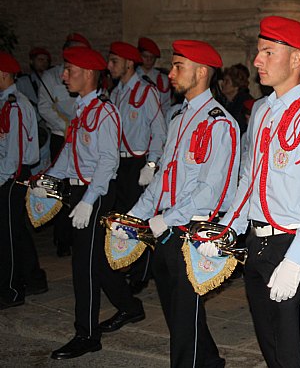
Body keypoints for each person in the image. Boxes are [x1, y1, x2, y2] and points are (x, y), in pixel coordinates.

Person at [219, 15, 300, 367]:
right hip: (257, 239)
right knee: (268, 340)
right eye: (259, 53)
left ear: (296, 58)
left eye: (269, 53)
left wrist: (297, 259)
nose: (258, 61)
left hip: (290, 243)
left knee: (290, 349)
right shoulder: (261, 111)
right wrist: (229, 228)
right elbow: (249, 178)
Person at [29, 46, 146, 360]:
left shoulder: (105, 112)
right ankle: (130, 307)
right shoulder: (82, 110)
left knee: (84, 266)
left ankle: (87, 335)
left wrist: (89, 201)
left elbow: (108, 163)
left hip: (97, 193)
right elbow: (70, 153)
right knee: (97, 260)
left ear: (90, 74)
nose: (64, 76)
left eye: (71, 70)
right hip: (81, 193)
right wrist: (51, 177)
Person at [128, 39, 239, 368]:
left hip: (191, 230)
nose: (171, 73)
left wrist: (169, 218)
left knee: (183, 317)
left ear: (201, 72)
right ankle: (210, 361)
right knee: (178, 313)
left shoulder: (220, 123)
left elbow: (213, 190)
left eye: (179, 66)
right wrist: (137, 214)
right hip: (165, 228)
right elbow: (163, 179)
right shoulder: (178, 119)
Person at [108, 41, 167, 294]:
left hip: (138, 162)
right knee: (123, 215)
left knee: (139, 219)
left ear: (128, 63)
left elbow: (158, 130)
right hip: (119, 162)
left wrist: (151, 164)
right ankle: (129, 263)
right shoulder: (115, 92)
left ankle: (142, 270)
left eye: (114, 62)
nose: (109, 66)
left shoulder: (145, 92)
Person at [0, 51, 48, 310]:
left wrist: (2, 178)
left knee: (5, 235)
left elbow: (15, 154)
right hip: (8, 175)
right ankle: (33, 277)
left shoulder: (15, 105)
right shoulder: (6, 102)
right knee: (15, 230)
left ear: (4, 74)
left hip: (12, 177)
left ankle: (11, 289)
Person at [38, 33, 91, 257]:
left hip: (82, 137)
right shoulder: (51, 77)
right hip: (61, 135)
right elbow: (44, 106)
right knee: (59, 187)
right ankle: (61, 237)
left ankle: (78, 234)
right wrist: (64, 124)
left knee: (79, 185)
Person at [136, 37, 171, 113]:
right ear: (139, 55)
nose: (149, 60)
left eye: (152, 57)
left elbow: (166, 104)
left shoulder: (162, 78)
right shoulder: (132, 76)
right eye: (145, 56)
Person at [218, 64, 254, 134]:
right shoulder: (222, 101)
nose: (222, 84)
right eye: (223, 80)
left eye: (227, 82)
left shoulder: (245, 104)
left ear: (236, 85)